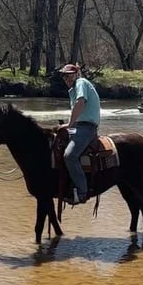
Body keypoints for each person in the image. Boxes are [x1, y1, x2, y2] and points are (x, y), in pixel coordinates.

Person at [58, 63, 101, 205]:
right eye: (65, 76)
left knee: (69, 156)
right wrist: (67, 125)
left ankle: (82, 193)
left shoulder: (81, 83)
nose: (67, 79)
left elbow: (80, 103)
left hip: (87, 127)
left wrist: (69, 124)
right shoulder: (73, 89)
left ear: (77, 74)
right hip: (79, 126)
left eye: (70, 75)